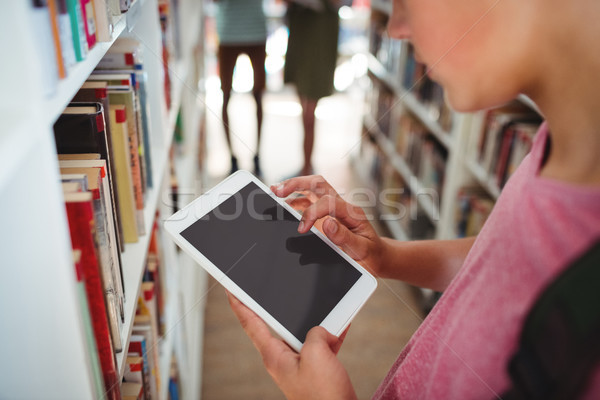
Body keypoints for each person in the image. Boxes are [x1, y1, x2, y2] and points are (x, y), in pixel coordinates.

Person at [227, 0, 600, 398]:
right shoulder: (558, 144)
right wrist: (385, 256)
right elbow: (505, 259)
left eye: (404, 2)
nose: (396, 29)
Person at [283, 0, 340, 176]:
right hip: (300, 32)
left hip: (320, 38)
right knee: (305, 113)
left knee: (309, 116)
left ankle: (307, 169)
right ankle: (305, 167)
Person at [214, 0, 267, 176]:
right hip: (228, 32)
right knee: (226, 96)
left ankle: (257, 156)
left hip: (255, 30)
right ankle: (232, 158)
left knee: (258, 96)